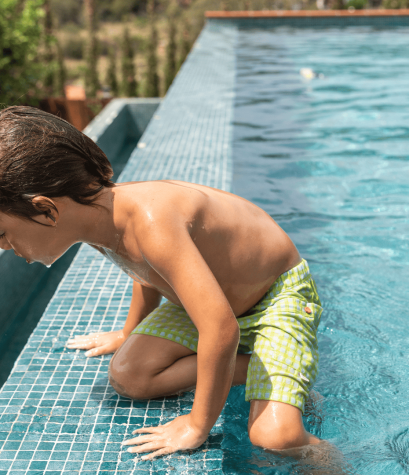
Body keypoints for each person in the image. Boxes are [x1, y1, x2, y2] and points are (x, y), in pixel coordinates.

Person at [0, 106, 323, 460]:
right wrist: (128, 333)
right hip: (220, 302)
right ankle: (259, 369)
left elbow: (220, 328)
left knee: (276, 437)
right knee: (129, 376)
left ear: (47, 210)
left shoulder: (152, 223)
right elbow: (146, 271)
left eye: (3, 233)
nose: (3, 246)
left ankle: (325, 449)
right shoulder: (95, 217)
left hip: (273, 296)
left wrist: (197, 425)